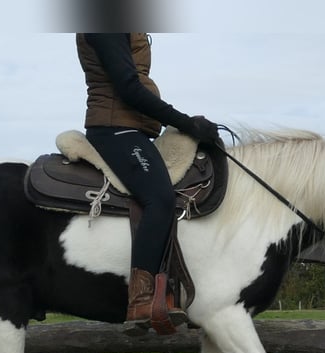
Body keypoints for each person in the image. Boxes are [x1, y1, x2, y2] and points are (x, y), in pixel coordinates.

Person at [76, 33, 220, 334]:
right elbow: (128, 87)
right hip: (114, 129)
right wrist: (185, 123)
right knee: (160, 197)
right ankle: (140, 299)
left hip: (132, 129)